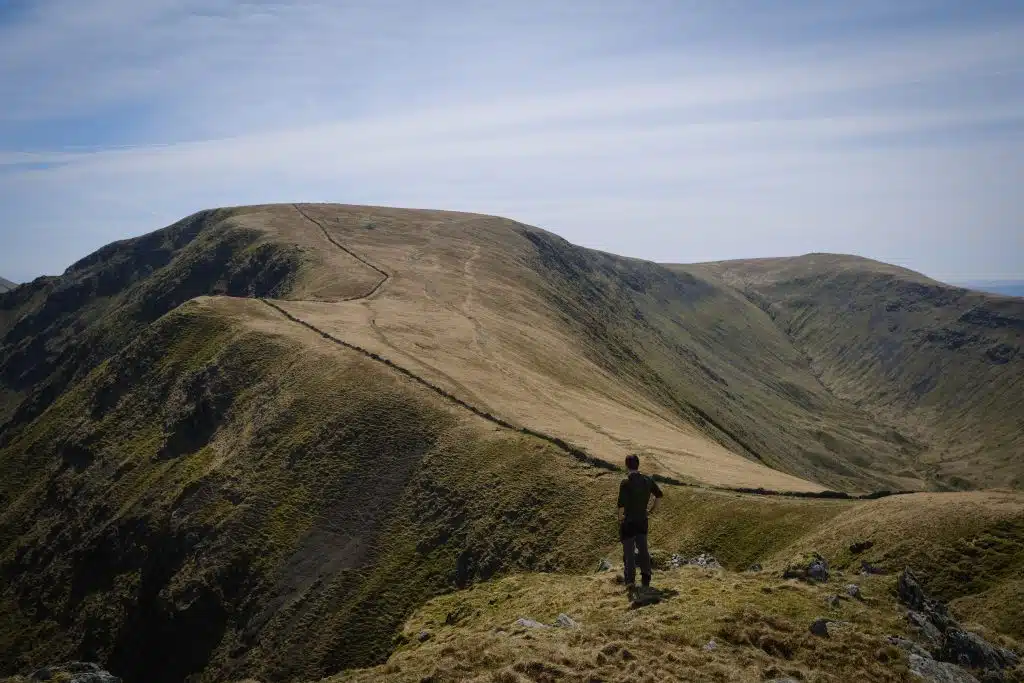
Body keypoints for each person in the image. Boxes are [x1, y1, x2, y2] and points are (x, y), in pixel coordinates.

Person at [617, 454, 663, 589]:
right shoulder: (647, 480)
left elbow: (621, 505)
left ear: (626, 465)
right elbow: (659, 495)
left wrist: (620, 518)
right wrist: (651, 510)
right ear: (638, 465)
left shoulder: (626, 482)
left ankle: (630, 581)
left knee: (629, 553)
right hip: (642, 520)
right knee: (643, 550)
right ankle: (646, 578)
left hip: (629, 522)